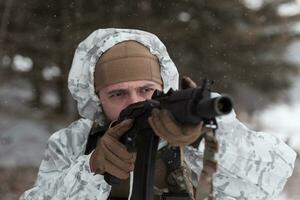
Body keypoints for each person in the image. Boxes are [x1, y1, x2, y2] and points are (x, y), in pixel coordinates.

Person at [20, 28, 296, 200]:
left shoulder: (194, 125)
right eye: (117, 94)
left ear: (164, 86)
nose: (135, 101)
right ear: (96, 98)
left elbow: (272, 180)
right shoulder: (73, 141)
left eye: (146, 89)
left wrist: (201, 140)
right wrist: (91, 169)